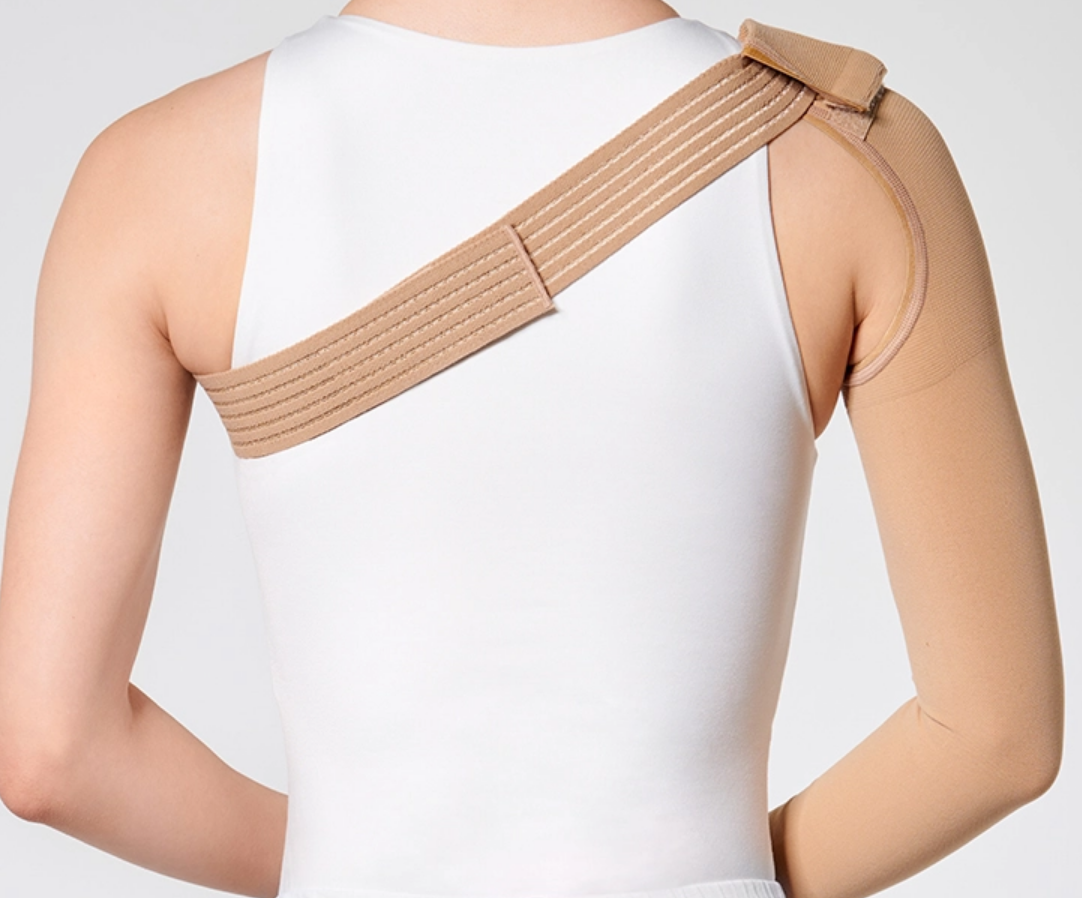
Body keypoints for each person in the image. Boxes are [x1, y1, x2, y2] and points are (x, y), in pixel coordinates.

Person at [0, 1, 1064, 897]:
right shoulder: (848, 152)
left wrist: (356, 868)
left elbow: (53, 752)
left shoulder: (151, 175)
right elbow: (994, 738)